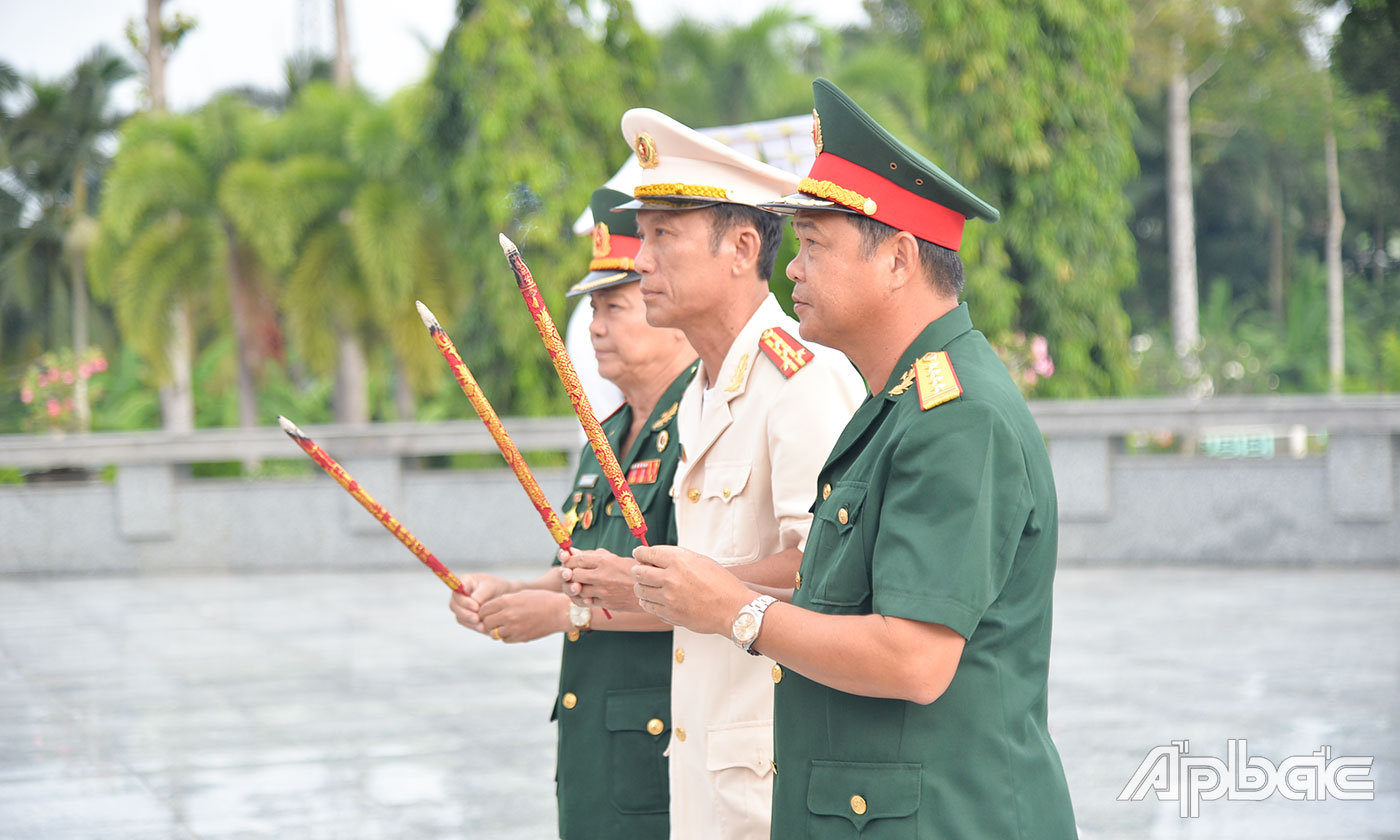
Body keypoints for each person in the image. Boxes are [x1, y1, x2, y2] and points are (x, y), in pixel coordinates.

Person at [629, 78, 1079, 838]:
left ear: (898, 260)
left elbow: (912, 658)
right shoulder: (894, 405)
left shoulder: (955, 415)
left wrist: (736, 611)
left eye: (813, 246)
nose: (793, 270)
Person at [561, 109, 864, 840]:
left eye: (663, 235)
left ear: (742, 247)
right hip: (706, 770)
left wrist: (675, 582)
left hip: (776, 773)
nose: (640, 261)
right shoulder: (703, 389)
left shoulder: (801, 380)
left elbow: (832, 571)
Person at [448, 187, 698, 839]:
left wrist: (562, 614)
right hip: (596, 750)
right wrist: (513, 594)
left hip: (665, 748)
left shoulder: (700, 428)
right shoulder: (606, 436)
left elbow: (704, 595)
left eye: (615, 306)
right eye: (592, 309)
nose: (593, 328)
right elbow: (578, 570)